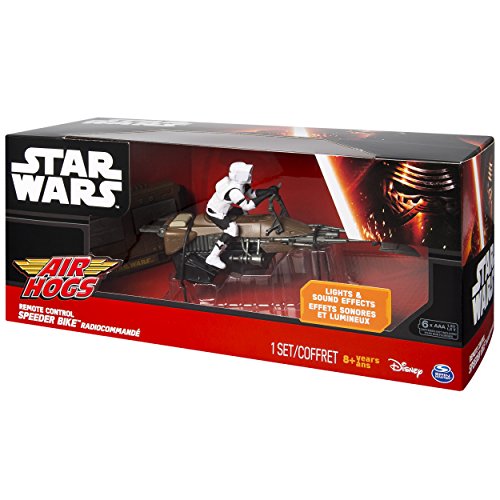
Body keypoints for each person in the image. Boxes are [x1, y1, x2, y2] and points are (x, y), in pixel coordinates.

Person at [205, 161, 278, 269]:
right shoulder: (233, 191)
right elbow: (247, 205)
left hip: (227, 209)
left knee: (244, 216)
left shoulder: (241, 185)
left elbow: (252, 194)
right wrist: (266, 195)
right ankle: (213, 257)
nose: (250, 175)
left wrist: (268, 191)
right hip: (217, 212)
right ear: (239, 175)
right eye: (247, 173)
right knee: (232, 229)